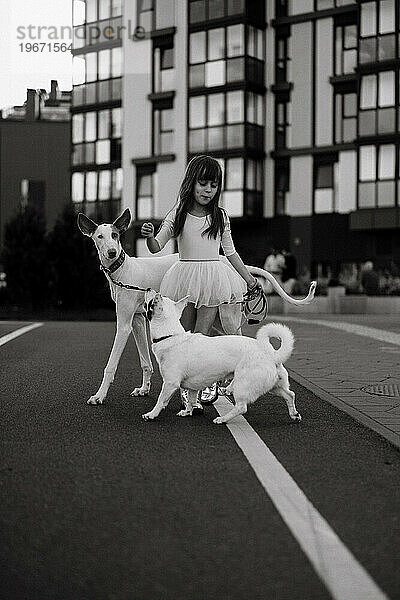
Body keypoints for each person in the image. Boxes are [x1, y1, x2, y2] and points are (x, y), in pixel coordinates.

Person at [141, 155, 260, 411]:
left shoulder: (220, 216)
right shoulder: (179, 213)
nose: (208, 190)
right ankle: (188, 386)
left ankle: (205, 382)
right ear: (191, 182)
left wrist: (249, 280)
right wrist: (150, 237)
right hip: (183, 278)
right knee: (183, 336)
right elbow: (156, 246)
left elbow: (231, 252)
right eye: (203, 183)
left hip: (213, 280)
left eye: (214, 185)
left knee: (202, 337)